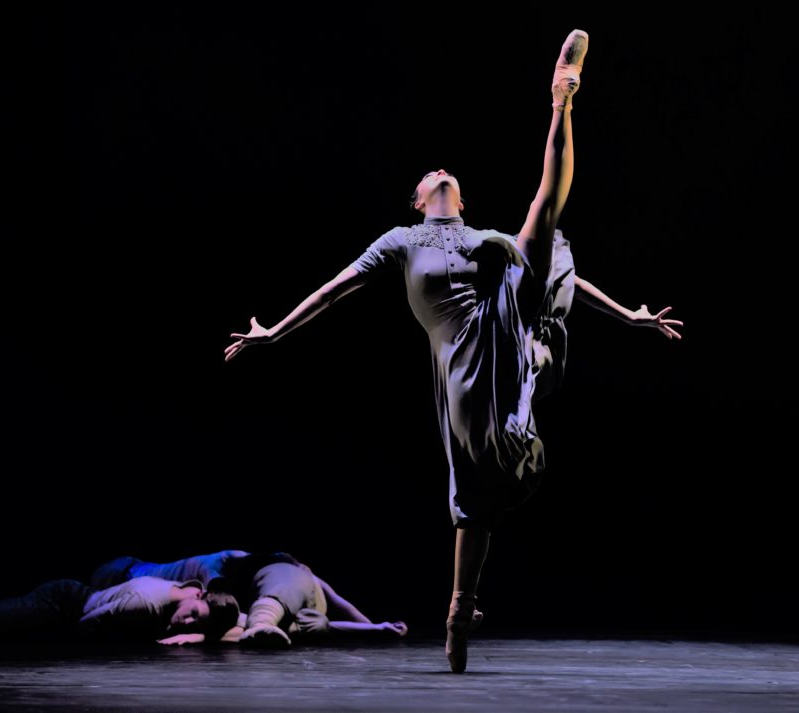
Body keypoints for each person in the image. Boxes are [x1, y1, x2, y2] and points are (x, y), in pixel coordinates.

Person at [224, 29, 683, 673]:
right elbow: (336, 289)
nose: (440, 171)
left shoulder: (481, 233)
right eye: (429, 176)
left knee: (543, 225)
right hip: (461, 363)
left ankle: (562, 97)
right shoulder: (401, 240)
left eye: (448, 175)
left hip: (501, 317)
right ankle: (459, 610)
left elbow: (559, 273)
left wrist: (628, 315)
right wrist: (275, 329)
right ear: (418, 201)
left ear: (460, 198)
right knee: (475, 497)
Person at [90, 550, 407, 647]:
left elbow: (339, 602)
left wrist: (374, 627)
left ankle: (263, 624)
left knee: (311, 624)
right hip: (125, 571)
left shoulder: (300, 579)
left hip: (139, 579)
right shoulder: (223, 564)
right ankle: (262, 623)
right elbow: (210, 573)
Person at [0, 575, 240, 645]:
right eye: (194, 614)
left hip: (71, 594)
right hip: (63, 603)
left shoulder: (190, 588)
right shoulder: (147, 608)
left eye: (195, 622)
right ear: (201, 597)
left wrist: (199, 634)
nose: (187, 621)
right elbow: (86, 626)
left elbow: (236, 622)